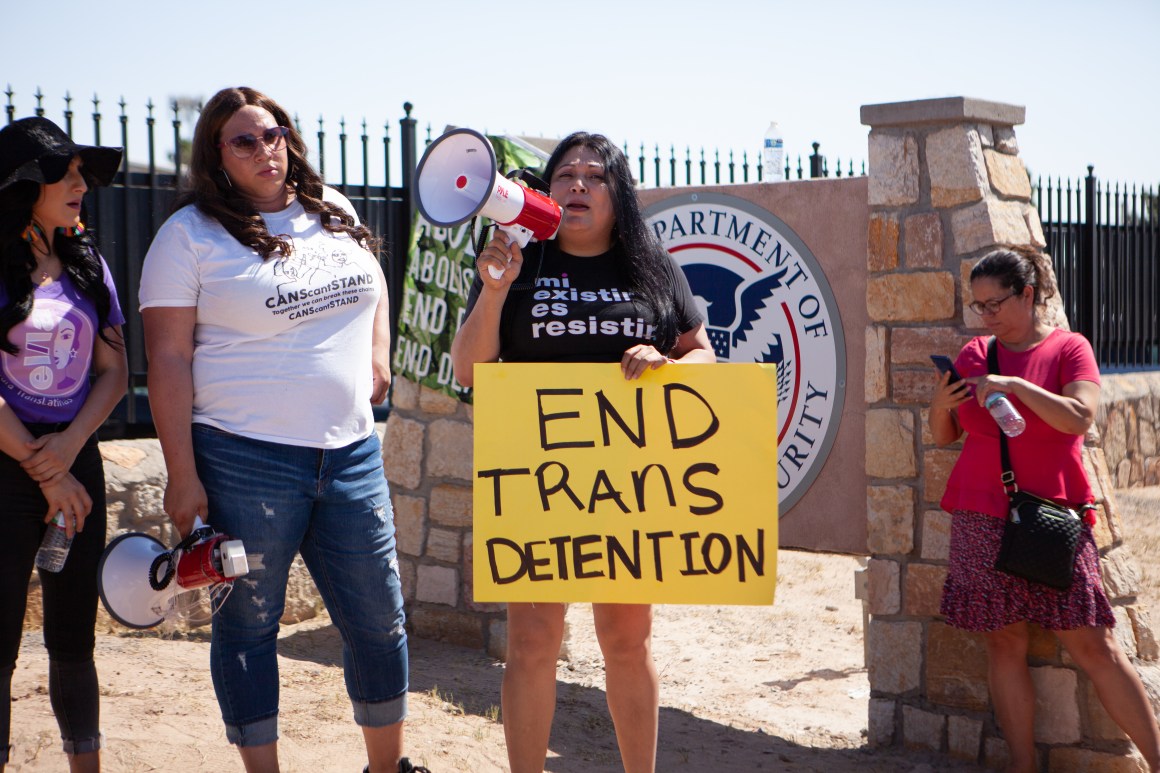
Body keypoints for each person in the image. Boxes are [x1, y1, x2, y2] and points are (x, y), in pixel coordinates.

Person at [138, 87, 427, 773]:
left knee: (380, 621)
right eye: (244, 140)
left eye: (273, 134)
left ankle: (387, 768)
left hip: (351, 452)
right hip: (243, 459)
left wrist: (379, 352)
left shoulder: (333, 207)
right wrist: (182, 473)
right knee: (248, 625)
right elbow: (168, 358)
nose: (265, 149)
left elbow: (373, 279)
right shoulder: (188, 236)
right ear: (216, 155)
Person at [450, 132, 715, 773]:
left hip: (629, 485)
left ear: (617, 194)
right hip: (540, 484)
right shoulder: (518, 262)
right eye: (564, 174)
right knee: (533, 643)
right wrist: (493, 288)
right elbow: (467, 369)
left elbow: (703, 354)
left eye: (594, 176)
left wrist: (668, 366)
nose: (577, 185)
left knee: (626, 640)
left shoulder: (653, 267)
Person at [931, 244, 1160, 773]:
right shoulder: (973, 356)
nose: (985, 317)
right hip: (980, 515)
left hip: (1053, 520)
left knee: (1095, 647)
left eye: (995, 304)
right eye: (979, 306)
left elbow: (1079, 418)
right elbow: (947, 436)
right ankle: (1023, 766)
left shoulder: (1069, 350)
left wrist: (1013, 384)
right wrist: (938, 407)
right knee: (1004, 642)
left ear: (1028, 295)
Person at [0, 117, 128, 772]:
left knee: (74, 640)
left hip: (78, 467)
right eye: (66, 171)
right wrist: (41, 467)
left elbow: (114, 370)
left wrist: (71, 445)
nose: (81, 182)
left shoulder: (88, 262)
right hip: (7, 468)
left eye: (83, 169)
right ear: (26, 184)